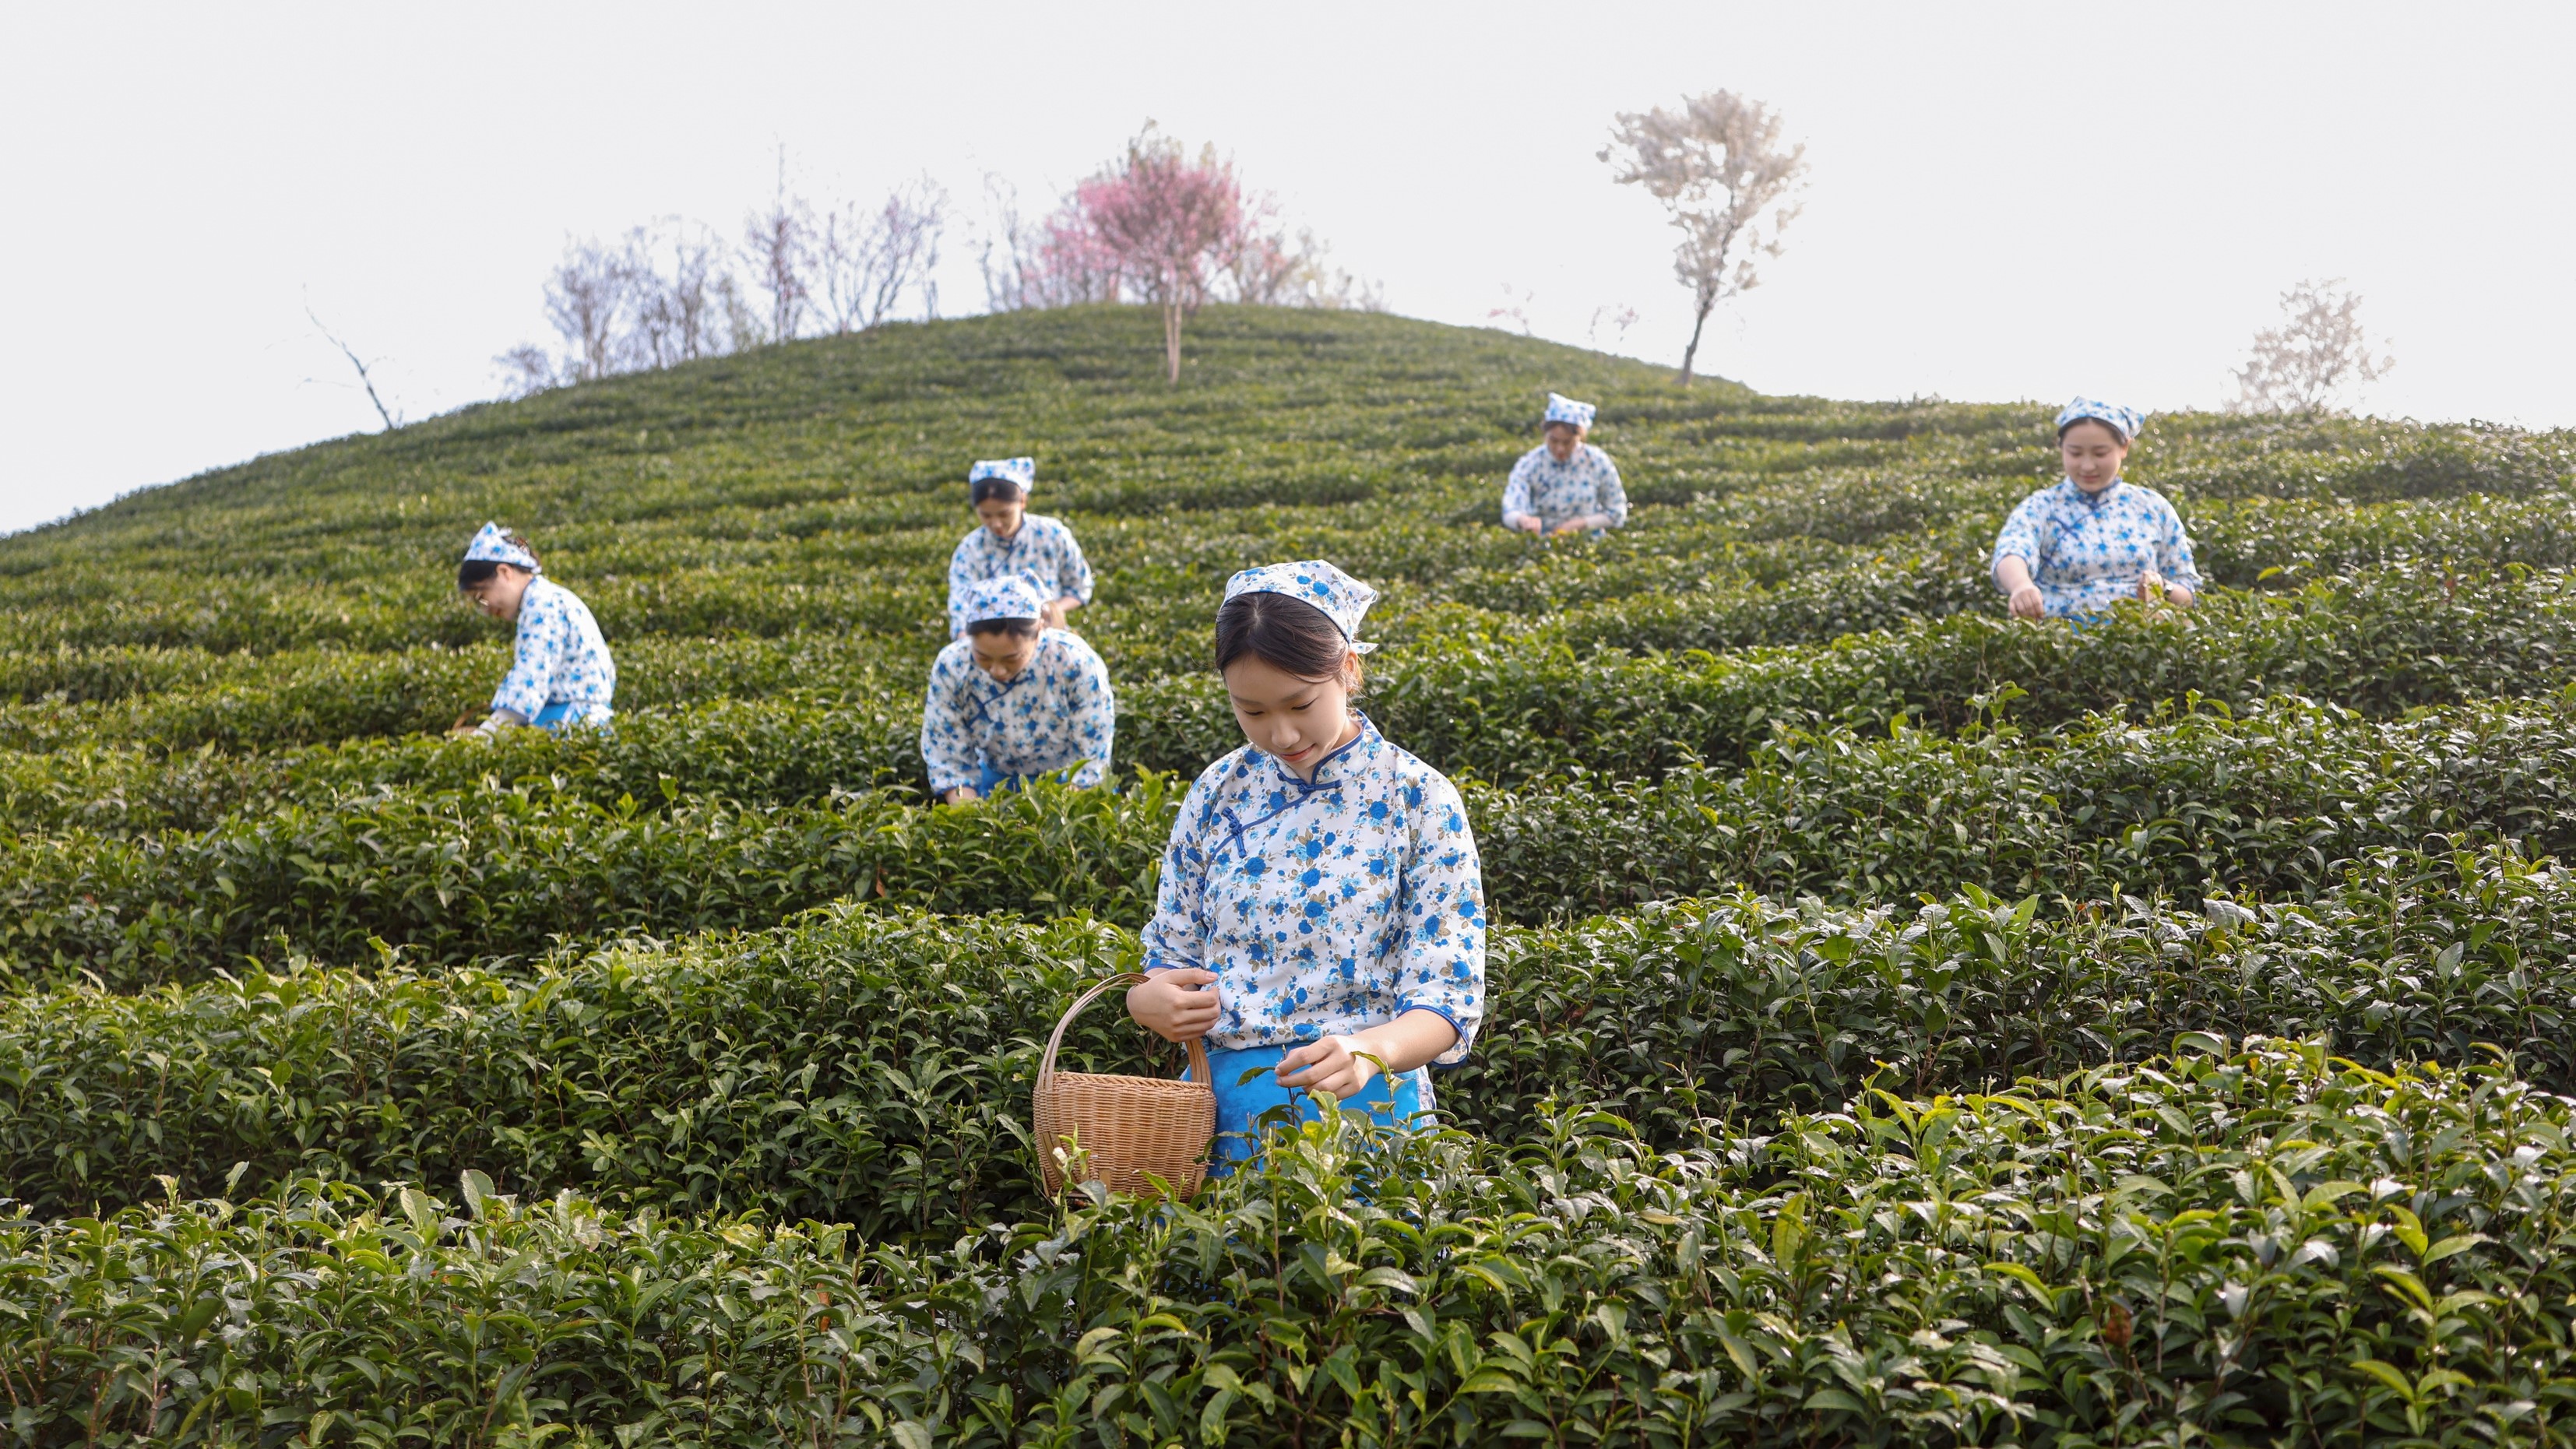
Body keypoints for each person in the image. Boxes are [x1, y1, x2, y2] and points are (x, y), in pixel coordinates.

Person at [1126, 561, 1487, 1169]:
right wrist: (1148, 1000)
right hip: (1222, 1111)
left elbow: (1447, 993)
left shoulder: (1418, 797)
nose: (1283, 734)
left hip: (1368, 1108)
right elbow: (1173, 951)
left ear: (1348, 669)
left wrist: (1371, 1050)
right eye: (1253, 711)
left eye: (1300, 703)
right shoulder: (1218, 792)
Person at [1993, 398, 2201, 621]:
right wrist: (2021, 585)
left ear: (2124, 447)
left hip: (2140, 634)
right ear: (2061, 447)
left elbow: (2189, 591)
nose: (2087, 466)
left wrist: (2162, 588)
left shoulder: (2153, 507)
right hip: (2059, 636)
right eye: (2075, 453)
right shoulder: (2041, 506)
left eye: (2100, 453)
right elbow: (2012, 550)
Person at [920, 575, 1116, 804]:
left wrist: (1063, 810)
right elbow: (948, 757)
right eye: (983, 657)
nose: (997, 671)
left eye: (1011, 658)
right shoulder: (953, 666)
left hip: (1068, 783)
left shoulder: (1075, 663)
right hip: (995, 782)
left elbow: (1091, 757)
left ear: (1039, 630)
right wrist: (970, 814)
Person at [452, 522, 615, 737]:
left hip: (573, 724)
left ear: (504, 572)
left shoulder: (543, 606)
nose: (486, 608)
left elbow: (528, 683)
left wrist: (484, 737)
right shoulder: (543, 600)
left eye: (482, 597)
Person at [945, 456, 1093, 638]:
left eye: (1004, 514)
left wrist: (1053, 610)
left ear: (1023, 501)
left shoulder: (1052, 534)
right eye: (986, 515)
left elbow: (1080, 586)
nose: (996, 524)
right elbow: (960, 607)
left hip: (1048, 635)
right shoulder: (970, 549)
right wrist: (971, 644)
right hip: (993, 640)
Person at [1501, 392, 1628, 537]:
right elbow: (1511, 508)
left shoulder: (1596, 460)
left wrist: (1581, 524)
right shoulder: (1530, 463)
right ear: (1545, 435)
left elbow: (1617, 511)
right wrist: (1523, 520)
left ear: (1579, 437)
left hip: (1588, 542)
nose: (1560, 449)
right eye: (1554, 441)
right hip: (1544, 542)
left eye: (1567, 442)